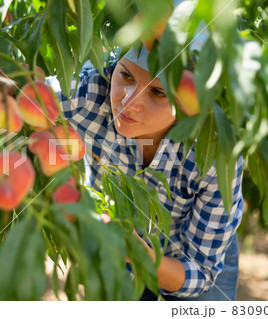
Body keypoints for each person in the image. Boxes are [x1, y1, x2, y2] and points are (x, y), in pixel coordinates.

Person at [46, 44, 243, 301]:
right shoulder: (90, 93)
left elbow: (201, 270)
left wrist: (141, 253)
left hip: (193, 261)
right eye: (126, 75)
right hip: (117, 255)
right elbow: (14, 89)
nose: (129, 102)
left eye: (158, 92)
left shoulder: (215, 153)